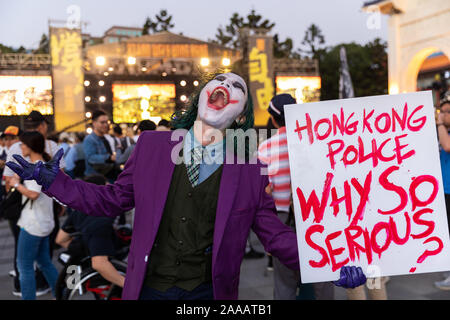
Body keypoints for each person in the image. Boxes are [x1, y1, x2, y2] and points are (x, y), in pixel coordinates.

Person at [6, 72, 366, 300]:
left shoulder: (249, 168)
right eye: (219, 81)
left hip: (209, 294)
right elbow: (112, 200)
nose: (225, 85)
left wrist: (330, 265)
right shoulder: (150, 147)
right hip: (148, 287)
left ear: (240, 115)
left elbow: (276, 236)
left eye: (236, 86)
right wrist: (58, 184)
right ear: (202, 96)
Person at [258, 94, 334, 300]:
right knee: (324, 274)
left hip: (282, 221)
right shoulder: (315, 142)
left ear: (273, 119)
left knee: (284, 282)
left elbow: (264, 190)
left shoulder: (266, 148)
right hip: (316, 217)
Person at [9, 131, 59, 300]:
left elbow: (34, 194)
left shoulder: (38, 166)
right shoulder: (42, 164)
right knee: (44, 262)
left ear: (30, 146)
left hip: (33, 224)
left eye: (22, 144)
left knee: (24, 266)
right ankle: (61, 293)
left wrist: (16, 184)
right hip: (43, 222)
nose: (20, 146)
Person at [55, 174, 125, 288]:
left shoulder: (79, 210)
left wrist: (85, 250)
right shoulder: (107, 214)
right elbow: (99, 264)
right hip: (108, 257)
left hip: (85, 259)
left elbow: (60, 239)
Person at [434, 91, 450, 290]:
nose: (442, 115)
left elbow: (446, 146)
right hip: (443, 191)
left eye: (446, 112)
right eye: (442, 112)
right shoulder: (442, 131)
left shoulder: (443, 133)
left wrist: (438, 124)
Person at [83, 110, 119, 180]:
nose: (106, 125)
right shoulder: (89, 139)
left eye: (107, 122)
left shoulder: (105, 138)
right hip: (96, 180)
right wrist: (109, 158)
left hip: (107, 177)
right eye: (102, 122)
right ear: (94, 123)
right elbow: (91, 158)